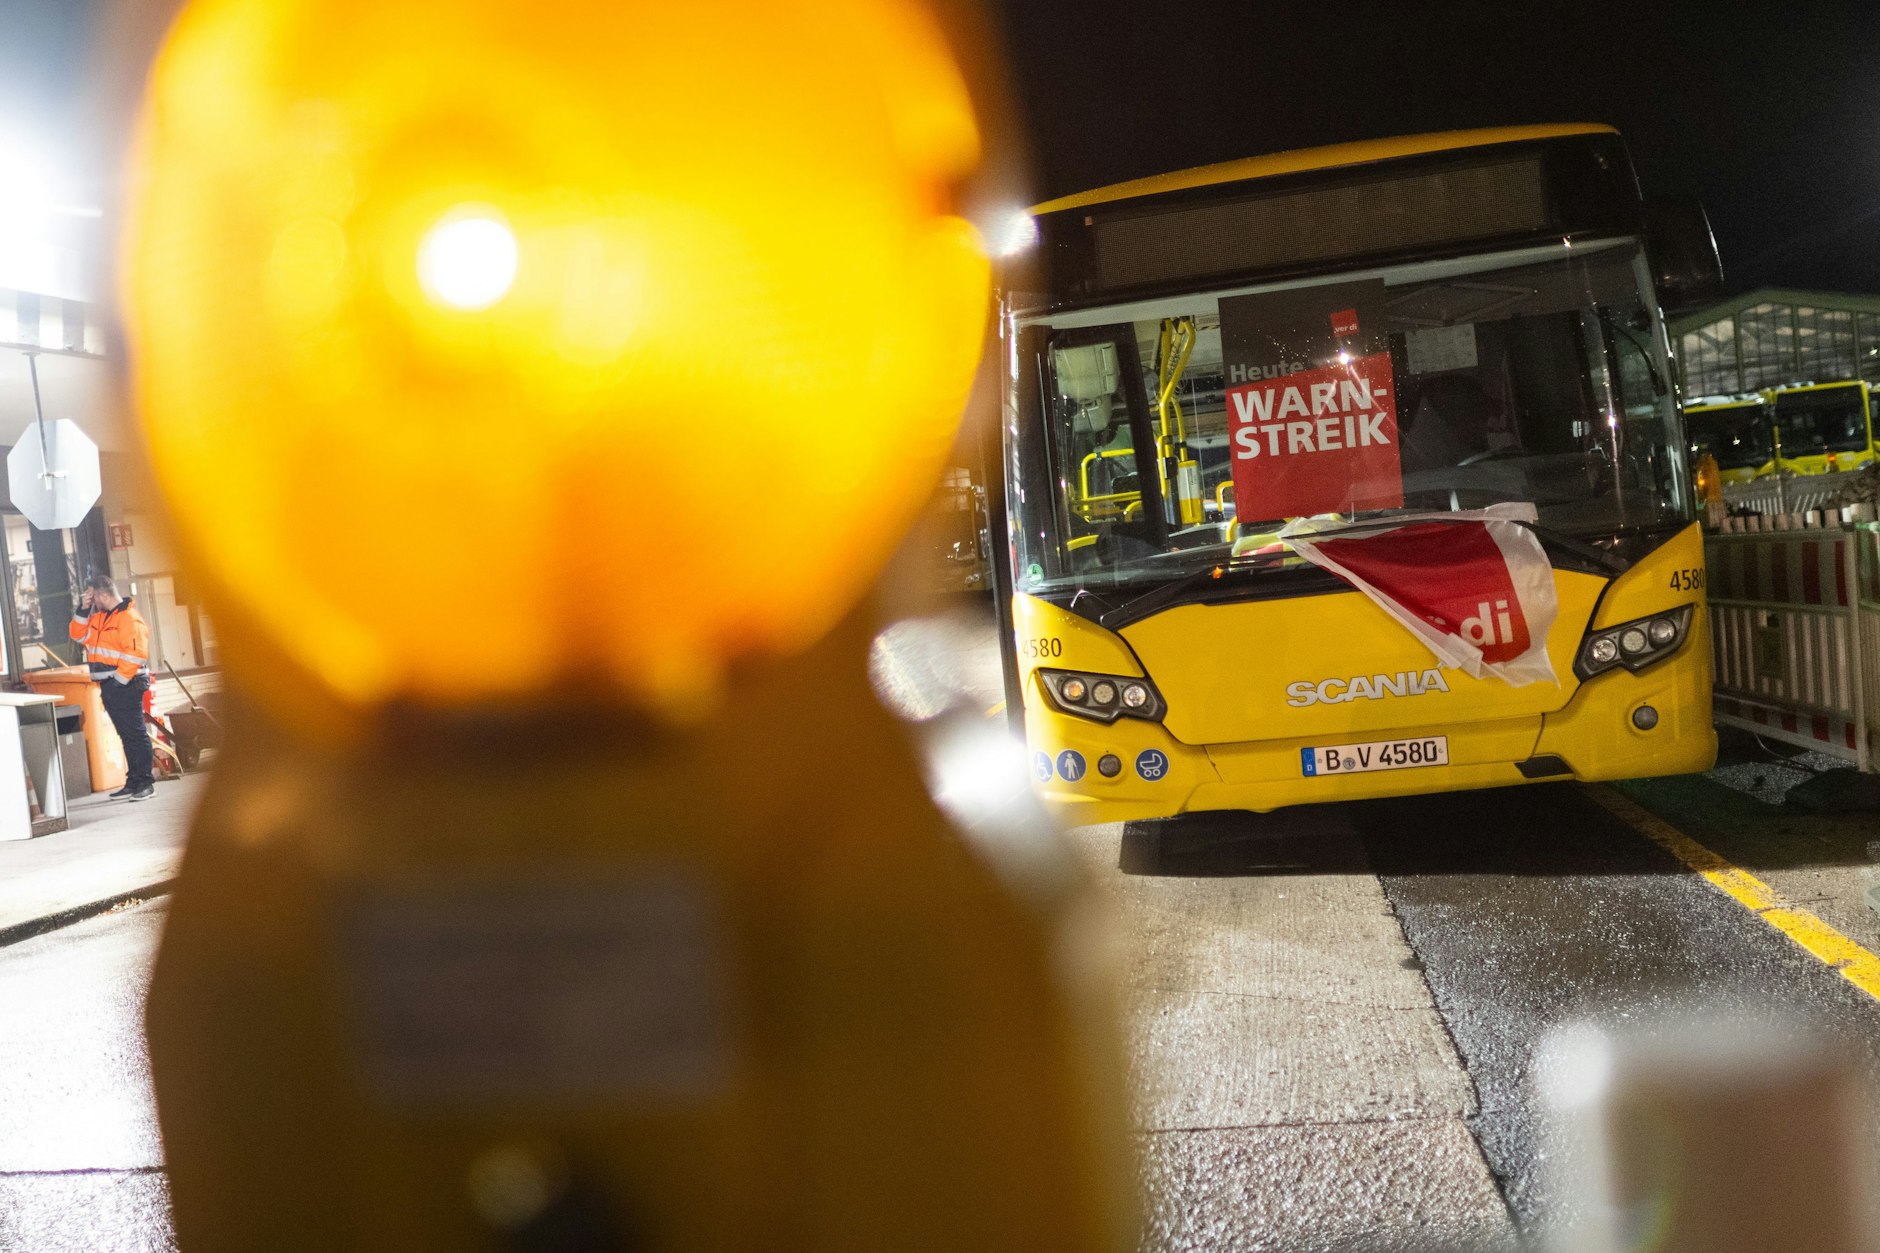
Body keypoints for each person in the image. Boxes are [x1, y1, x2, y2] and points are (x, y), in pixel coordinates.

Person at [70, 575, 155, 801]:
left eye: (92, 596)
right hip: (111, 684)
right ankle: (134, 781)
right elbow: (77, 634)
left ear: (102, 595)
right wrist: (83, 608)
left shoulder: (129, 619)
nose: (92, 601)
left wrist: (118, 682)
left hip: (125, 684)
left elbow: (137, 654)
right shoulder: (100, 618)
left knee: (135, 734)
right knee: (126, 735)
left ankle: (146, 782)